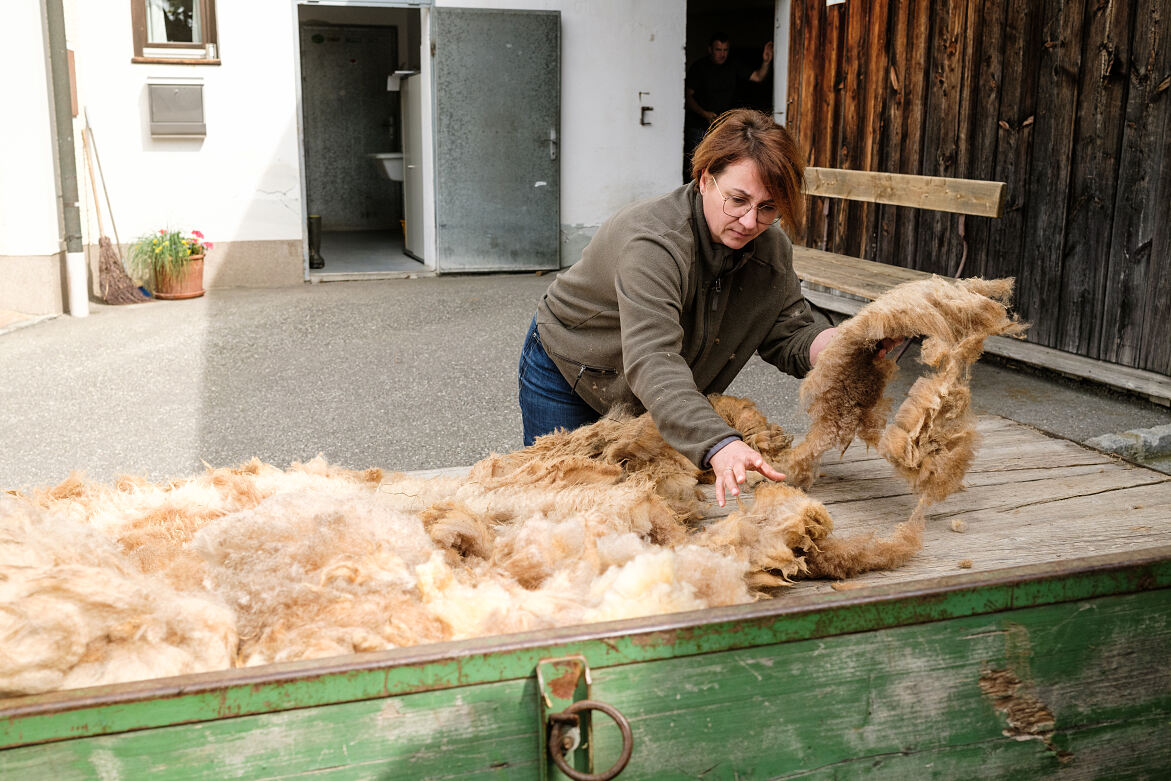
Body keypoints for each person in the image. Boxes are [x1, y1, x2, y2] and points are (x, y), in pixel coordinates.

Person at [519, 109, 904, 508]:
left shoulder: (770, 252)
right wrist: (718, 443)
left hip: (658, 390)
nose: (750, 221)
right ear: (705, 179)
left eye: (769, 208)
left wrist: (842, 345)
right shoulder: (654, 245)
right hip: (572, 370)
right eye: (738, 200)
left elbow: (788, 334)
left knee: (631, 512)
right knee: (556, 504)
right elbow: (654, 359)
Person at [684, 33, 773, 182]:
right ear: (710, 50)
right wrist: (704, 113)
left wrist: (766, 61)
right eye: (718, 49)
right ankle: (696, 192)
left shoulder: (733, 64)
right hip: (699, 125)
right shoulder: (699, 67)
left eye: (725, 50)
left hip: (722, 125)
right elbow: (688, 96)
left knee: (719, 164)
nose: (722, 54)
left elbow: (758, 77)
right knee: (698, 164)